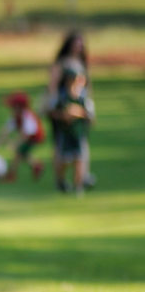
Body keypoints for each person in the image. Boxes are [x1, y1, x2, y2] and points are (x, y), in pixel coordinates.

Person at [45, 31, 94, 192]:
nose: (78, 46)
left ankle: (82, 176)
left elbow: (88, 85)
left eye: (81, 43)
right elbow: (53, 86)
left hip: (78, 106)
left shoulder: (82, 63)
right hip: (62, 105)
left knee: (81, 142)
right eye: (76, 43)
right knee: (61, 144)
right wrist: (56, 106)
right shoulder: (62, 63)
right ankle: (60, 179)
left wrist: (87, 105)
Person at [50, 68, 95, 197]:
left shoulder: (84, 99)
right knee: (65, 160)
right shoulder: (62, 97)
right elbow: (53, 113)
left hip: (79, 134)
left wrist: (77, 113)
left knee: (80, 160)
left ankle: (79, 187)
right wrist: (64, 116)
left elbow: (90, 117)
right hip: (65, 133)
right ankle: (61, 181)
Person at [0, 91, 45, 182]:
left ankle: (11, 175)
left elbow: (26, 134)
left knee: (18, 153)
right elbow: (6, 129)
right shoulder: (15, 117)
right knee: (21, 154)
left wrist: (15, 143)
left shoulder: (27, 116)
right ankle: (36, 165)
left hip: (34, 137)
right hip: (28, 136)